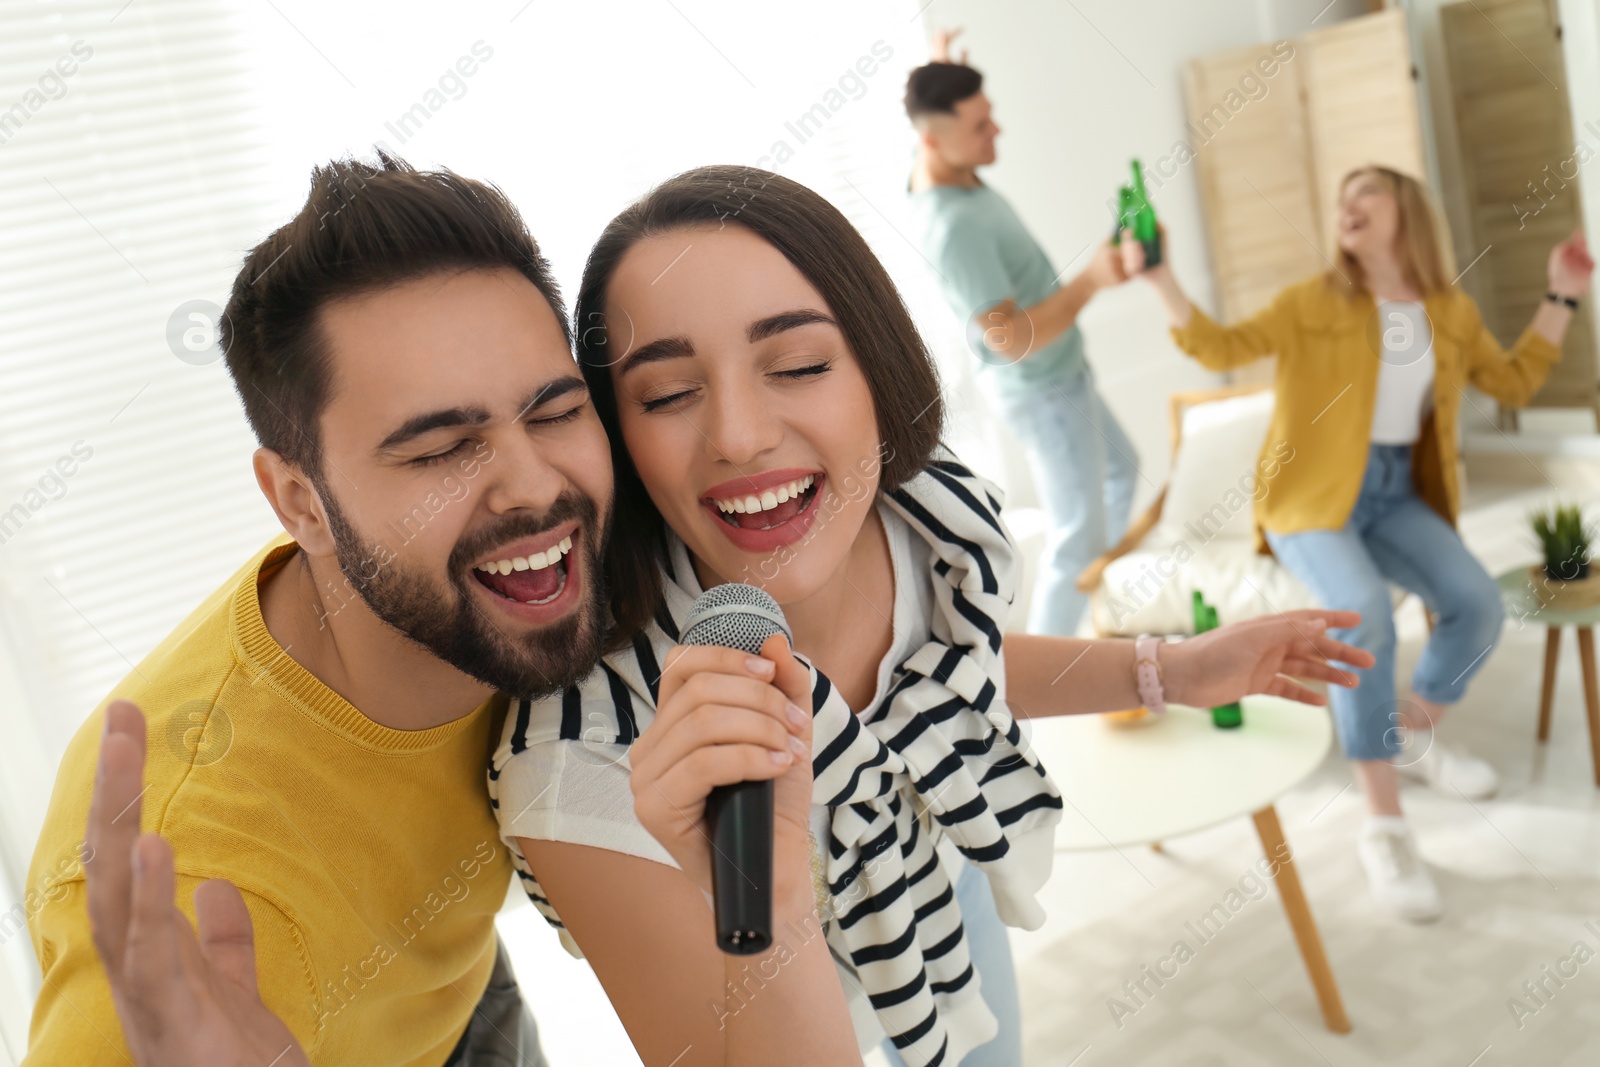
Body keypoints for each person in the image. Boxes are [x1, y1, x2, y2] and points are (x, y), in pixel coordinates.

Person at [490, 164, 1375, 1067]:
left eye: (797, 364)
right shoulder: (579, 759)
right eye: (669, 393)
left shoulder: (921, 522)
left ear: (878, 365)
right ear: (614, 437)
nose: (741, 435)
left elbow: (949, 672)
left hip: (937, 882)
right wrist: (768, 882)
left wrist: (1169, 670)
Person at [22, 154, 615, 1067]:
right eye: (442, 452)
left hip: (444, 982)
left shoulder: (520, 573)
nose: (535, 486)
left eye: (554, 409)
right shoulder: (201, 890)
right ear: (301, 503)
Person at [1125, 164, 1595, 921]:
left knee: (1477, 603)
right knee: (1364, 614)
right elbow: (1218, 346)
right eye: (1341, 200)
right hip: (1310, 501)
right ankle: (1384, 822)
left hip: (1393, 493)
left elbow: (1511, 383)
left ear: (1406, 211)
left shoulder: (1450, 310)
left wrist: (1563, 293)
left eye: (1365, 195)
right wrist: (1161, 278)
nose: (1347, 207)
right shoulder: (1313, 301)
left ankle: (1410, 734)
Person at [902, 30, 1137, 637]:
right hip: (1044, 391)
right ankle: (1054, 675)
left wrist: (945, 71)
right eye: (980, 126)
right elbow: (1007, 338)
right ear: (934, 138)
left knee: (1122, 469)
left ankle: (1103, 608)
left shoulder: (939, 164)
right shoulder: (955, 227)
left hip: (1063, 376)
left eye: (990, 118)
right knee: (1076, 540)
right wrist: (1091, 281)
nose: (996, 133)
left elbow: (934, 116)